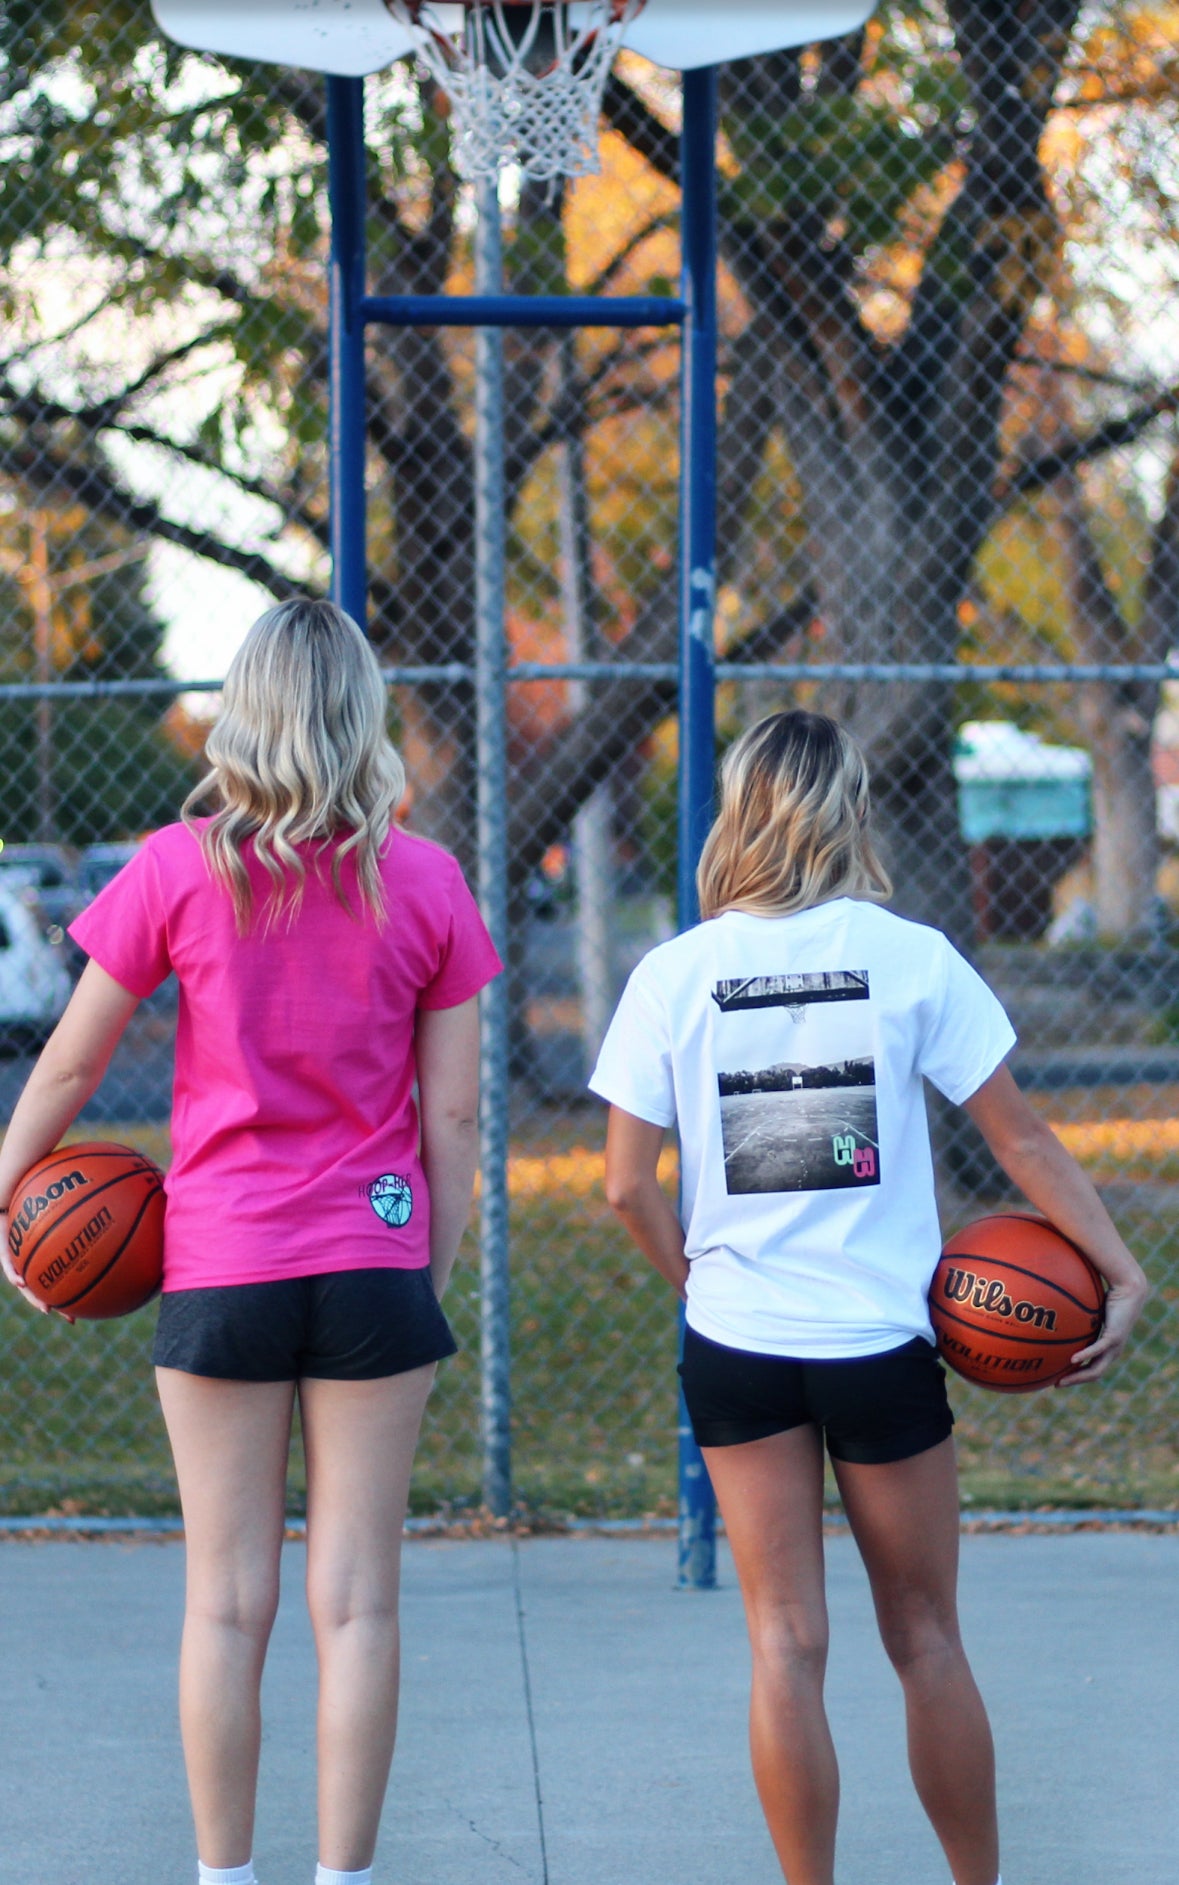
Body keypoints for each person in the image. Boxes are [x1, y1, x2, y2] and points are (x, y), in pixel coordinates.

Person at [589, 709, 1147, 1885]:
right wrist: (1119, 1265)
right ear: (848, 812)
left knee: (783, 1645)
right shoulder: (909, 957)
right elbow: (1027, 1143)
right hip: (879, 1348)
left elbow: (626, 1187)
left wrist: (702, 1282)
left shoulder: (673, 975)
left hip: (737, 1345)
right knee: (928, 1638)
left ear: (738, 810)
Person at [0, 599, 501, 1885]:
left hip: (221, 1264)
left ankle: (226, 1880)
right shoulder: (426, 876)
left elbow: (65, 1068)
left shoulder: (178, 865)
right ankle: (345, 1878)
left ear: (248, 712)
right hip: (373, 1264)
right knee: (358, 1603)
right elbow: (452, 1114)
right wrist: (423, 1276)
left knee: (226, 1604)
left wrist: (3, 1196)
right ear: (362, 716)